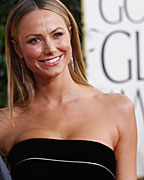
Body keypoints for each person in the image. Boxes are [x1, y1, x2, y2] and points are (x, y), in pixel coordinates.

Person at [0, 0, 137, 179]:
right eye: (35, 40)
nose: (50, 49)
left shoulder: (117, 109)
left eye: (57, 34)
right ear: (18, 48)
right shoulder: (5, 123)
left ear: (70, 35)